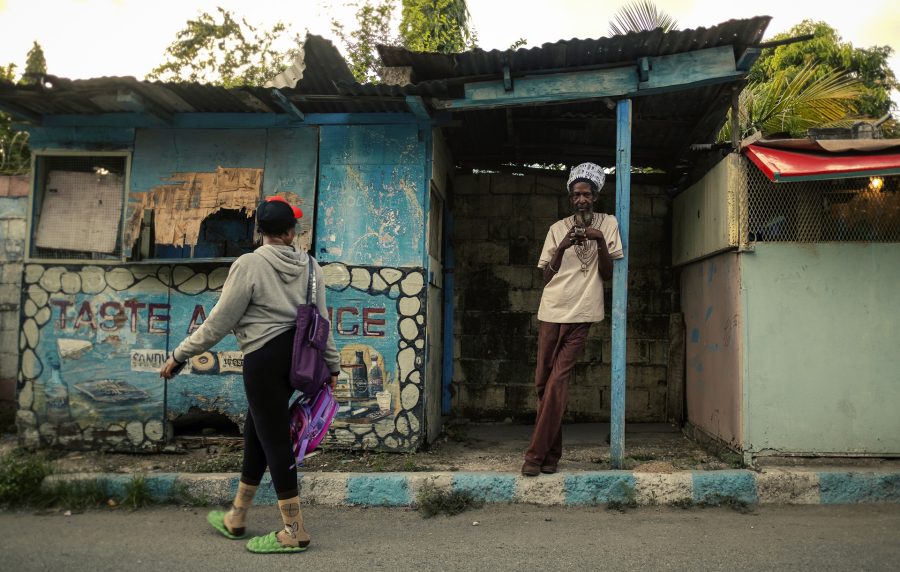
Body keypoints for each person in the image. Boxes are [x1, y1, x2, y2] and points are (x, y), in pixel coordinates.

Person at [160, 196, 341, 553]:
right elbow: (321, 324)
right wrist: (333, 366)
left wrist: (180, 355)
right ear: (291, 232)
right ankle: (237, 516)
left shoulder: (248, 264)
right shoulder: (311, 266)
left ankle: (294, 530)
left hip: (263, 360)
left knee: (273, 439)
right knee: (256, 430)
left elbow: (219, 322)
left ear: (261, 232)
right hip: (299, 361)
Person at [522, 162, 624, 477]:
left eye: (586, 194)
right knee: (543, 384)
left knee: (557, 382)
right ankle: (552, 455)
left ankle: (535, 457)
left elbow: (607, 274)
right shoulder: (557, 229)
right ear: (570, 198)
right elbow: (546, 277)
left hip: (582, 314)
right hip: (551, 312)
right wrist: (563, 246)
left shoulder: (608, 224)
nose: (581, 199)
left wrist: (599, 240)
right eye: (576, 195)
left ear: (595, 196)